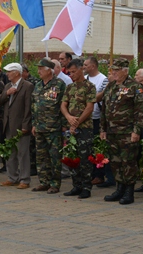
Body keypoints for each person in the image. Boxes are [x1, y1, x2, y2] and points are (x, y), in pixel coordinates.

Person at [100, 58, 143, 205]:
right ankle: (119, 188)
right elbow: (104, 109)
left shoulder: (135, 87)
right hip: (112, 132)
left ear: (125, 71)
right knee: (115, 162)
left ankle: (129, 191)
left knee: (128, 162)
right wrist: (103, 129)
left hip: (127, 132)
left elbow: (141, 110)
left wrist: (137, 131)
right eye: (112, 70)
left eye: (116, 70)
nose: (113, 72)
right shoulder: (111, 86)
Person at [61, 59, 96, 199]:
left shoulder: (89, 87)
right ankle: (76, 185)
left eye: (74, 72)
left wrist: (77, 122)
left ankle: (86, 187)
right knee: (72, 156)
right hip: (71, 127)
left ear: (82, 69)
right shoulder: (70, 87)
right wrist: (69, 117)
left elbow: (89, 107)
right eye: (70, 72)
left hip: (85, 128)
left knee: (85, 158)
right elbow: (63, 105)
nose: (71, 75)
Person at [32, 58, 67, 194]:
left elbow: (64, 105)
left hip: (54, 128)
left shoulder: (59, 84)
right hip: (39, 127)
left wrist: (64, 125)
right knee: (41, 157)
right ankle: (44, 182)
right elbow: (33, 106)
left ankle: (55, 183)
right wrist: (34, 124)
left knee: (54, 157)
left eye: (41, 69)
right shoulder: (38, 85)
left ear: (49, 71)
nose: (38, 71)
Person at [0, 62, 34, 189]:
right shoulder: (7, 86)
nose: (7, 74)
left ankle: (25, 179)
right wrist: (7, 94)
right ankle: (12, 177)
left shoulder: (27, 86)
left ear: (17, 73)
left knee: (22, 154)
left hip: (21, 125)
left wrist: (26, 125)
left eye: (9, 71)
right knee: (10, 153)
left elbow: (28, 107)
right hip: (8, 125)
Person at [83, 56, 111, 188]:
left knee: (98, 148)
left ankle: (99, 174)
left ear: (93, 66)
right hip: (86, 118)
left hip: (97, 117)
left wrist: (88, 98)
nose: (84, 67)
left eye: (86, 65)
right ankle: (92, 173)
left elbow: (101, 96)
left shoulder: (103, 79)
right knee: (89, 147)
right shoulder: (85, 79)